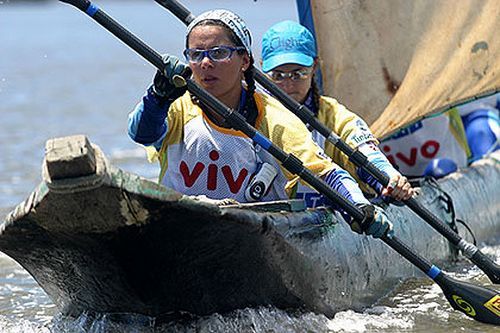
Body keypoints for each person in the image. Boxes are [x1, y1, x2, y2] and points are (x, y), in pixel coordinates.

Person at [128, 9, 392, 238]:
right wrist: (156, 98)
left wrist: (360, 207)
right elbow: (141, 134)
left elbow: (327, 174)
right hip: (180, 226)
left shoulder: (276, 120)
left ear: (245, 61)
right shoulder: (176, 104)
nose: (206, 63)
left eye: (219, 53)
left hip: (251, 238)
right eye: (196, 55)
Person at [261, 20, 415, 204]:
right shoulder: (252, 115)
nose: (287, 84)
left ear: (314, 67)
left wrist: (389, 178)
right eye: (277, 75)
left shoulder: (335, 116)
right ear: (262, 70)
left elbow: (365, 151)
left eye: (298, 73)